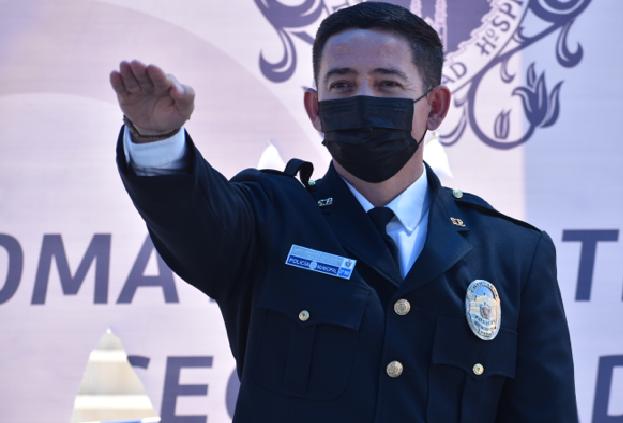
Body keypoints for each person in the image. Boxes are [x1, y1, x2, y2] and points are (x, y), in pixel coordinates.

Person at [109, 2, 578, 422]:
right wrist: (157, 140)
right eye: (343, 85)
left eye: (388, 84)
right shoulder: (269, 217)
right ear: (315, 109)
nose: (363, 100)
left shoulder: (512, 255)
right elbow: (193, 220)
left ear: (434, 108)